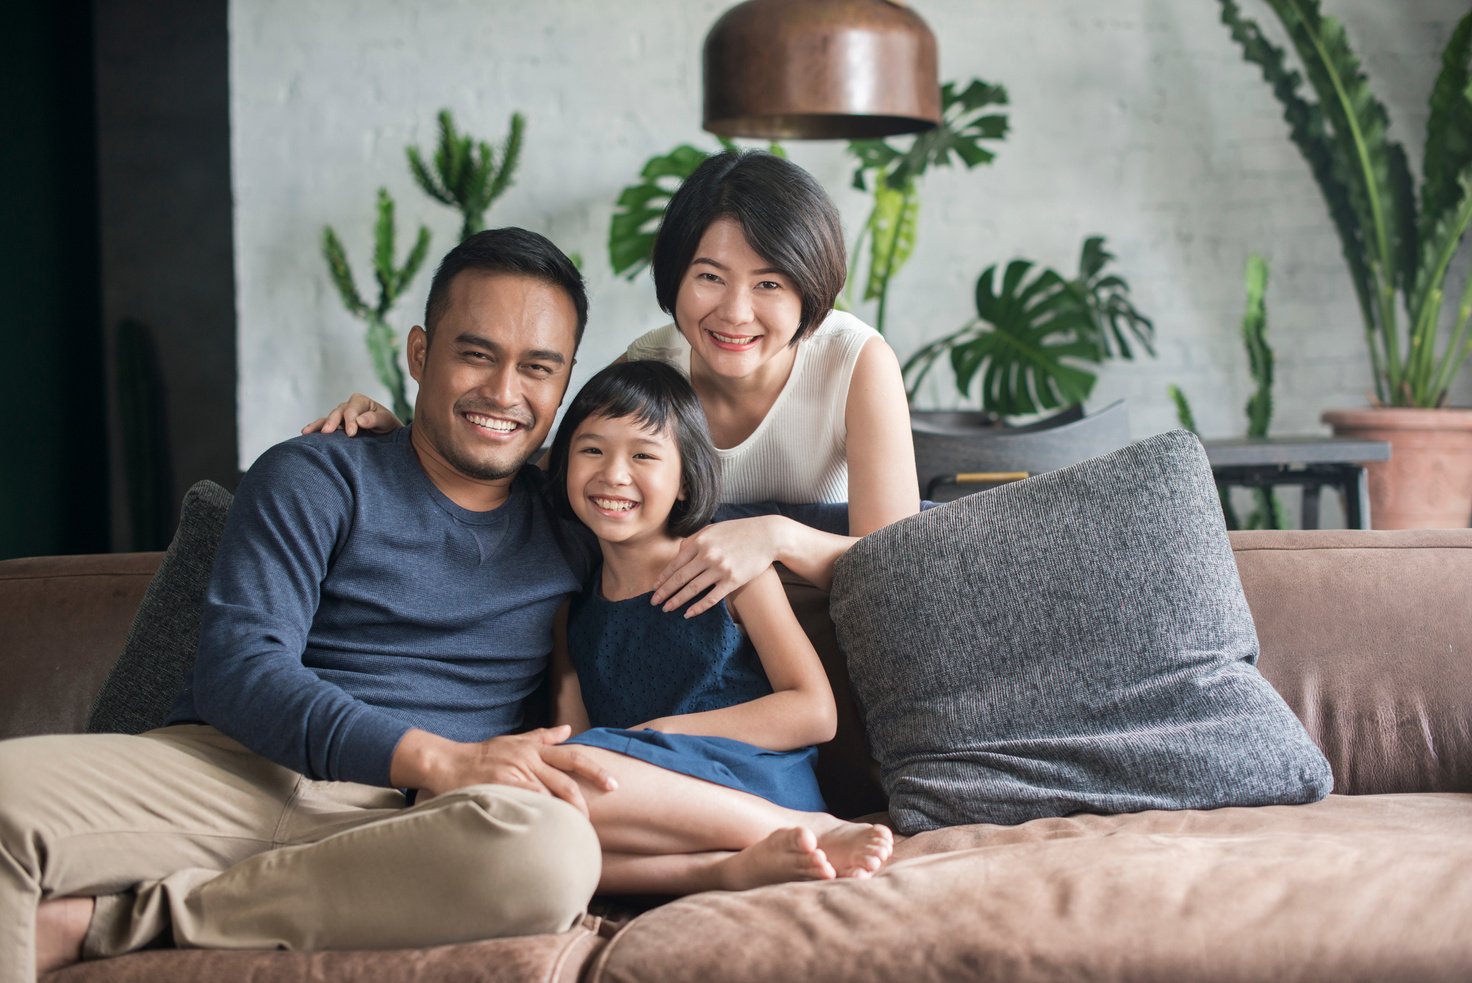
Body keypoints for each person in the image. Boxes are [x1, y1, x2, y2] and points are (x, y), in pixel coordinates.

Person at [0, 228, 622, 982]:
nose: (502, 392)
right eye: (477, 354)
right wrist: (440, 755)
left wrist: (784, 538)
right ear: (420, 355)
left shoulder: (580, 517)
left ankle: (126, 921)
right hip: (234, 773)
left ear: (565, 387)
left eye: (537, 369)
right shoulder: (315, 474)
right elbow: (240, 669)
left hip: (412, 821)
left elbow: (696, 450)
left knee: (552, 853)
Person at [307, 149, 919, 618]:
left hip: (820, 610)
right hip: (687, 616)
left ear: (810, 288)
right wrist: (409, 443)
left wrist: (774, 537)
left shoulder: (855, 360)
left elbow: (898, 564)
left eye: (769, 284)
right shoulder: (651, 364)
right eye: (710, 276)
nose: (735, 312)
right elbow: (555, 476)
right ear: (675, 276)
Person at [538, 360, 893, 893]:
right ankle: (725, 871)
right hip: (651, 805)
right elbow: (583, 744)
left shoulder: (729, 565)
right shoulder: (574, 612)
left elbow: (814, 712)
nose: (613, 473)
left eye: (643, 455)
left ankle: (807, 829)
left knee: (552, 787)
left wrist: (663, 733)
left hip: (754, 785)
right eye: (591, 450)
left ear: (684, 482)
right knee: (536, 829)